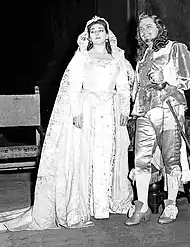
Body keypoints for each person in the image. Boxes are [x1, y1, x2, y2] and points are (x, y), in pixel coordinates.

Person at [0, 16, 133, 231]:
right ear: (87, 36)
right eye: (93, 31)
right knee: (86, 154)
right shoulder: (82, 56)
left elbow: (124, 87)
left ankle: (104, 203)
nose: (97, 34)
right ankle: (86, 204)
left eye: (101, 30)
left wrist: (124, 110)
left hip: (110, 111)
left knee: (107, 154)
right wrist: (77, 112)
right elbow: (73, 87)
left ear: (108, 34)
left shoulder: (118, 57)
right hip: (87, 110)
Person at [125, 14, 190, 226]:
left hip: (168, 110)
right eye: (141, 29)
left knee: (171, 159)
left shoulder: (176, 49)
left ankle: (170, 204)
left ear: (160, 28)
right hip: (145, 113)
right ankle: (141, 206)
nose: (145, 31)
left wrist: (165, 77)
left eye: (149, 27)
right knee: (140, 159)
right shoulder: (143, 55)